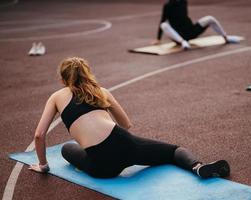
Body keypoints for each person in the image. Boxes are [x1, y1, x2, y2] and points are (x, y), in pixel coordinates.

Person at [29, 57, 230, 179]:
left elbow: (39, 135)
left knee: (67, 147)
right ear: (87, 74)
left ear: (63, 79)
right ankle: (198, 167)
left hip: (102, 167)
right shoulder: (102, 92)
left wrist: (43, 166)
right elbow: (126, 124)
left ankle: (198, 167)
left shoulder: (56, 96)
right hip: (126, 146)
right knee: (174, 151)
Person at [152, 0, 231, 49]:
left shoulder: (184, 2)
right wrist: (158, 39)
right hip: (178, 36)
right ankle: (183, 42)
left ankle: (225, 37)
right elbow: (162, 20)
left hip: (191, 31)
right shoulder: (167, 6)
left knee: (210, 18)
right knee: (164, 25)